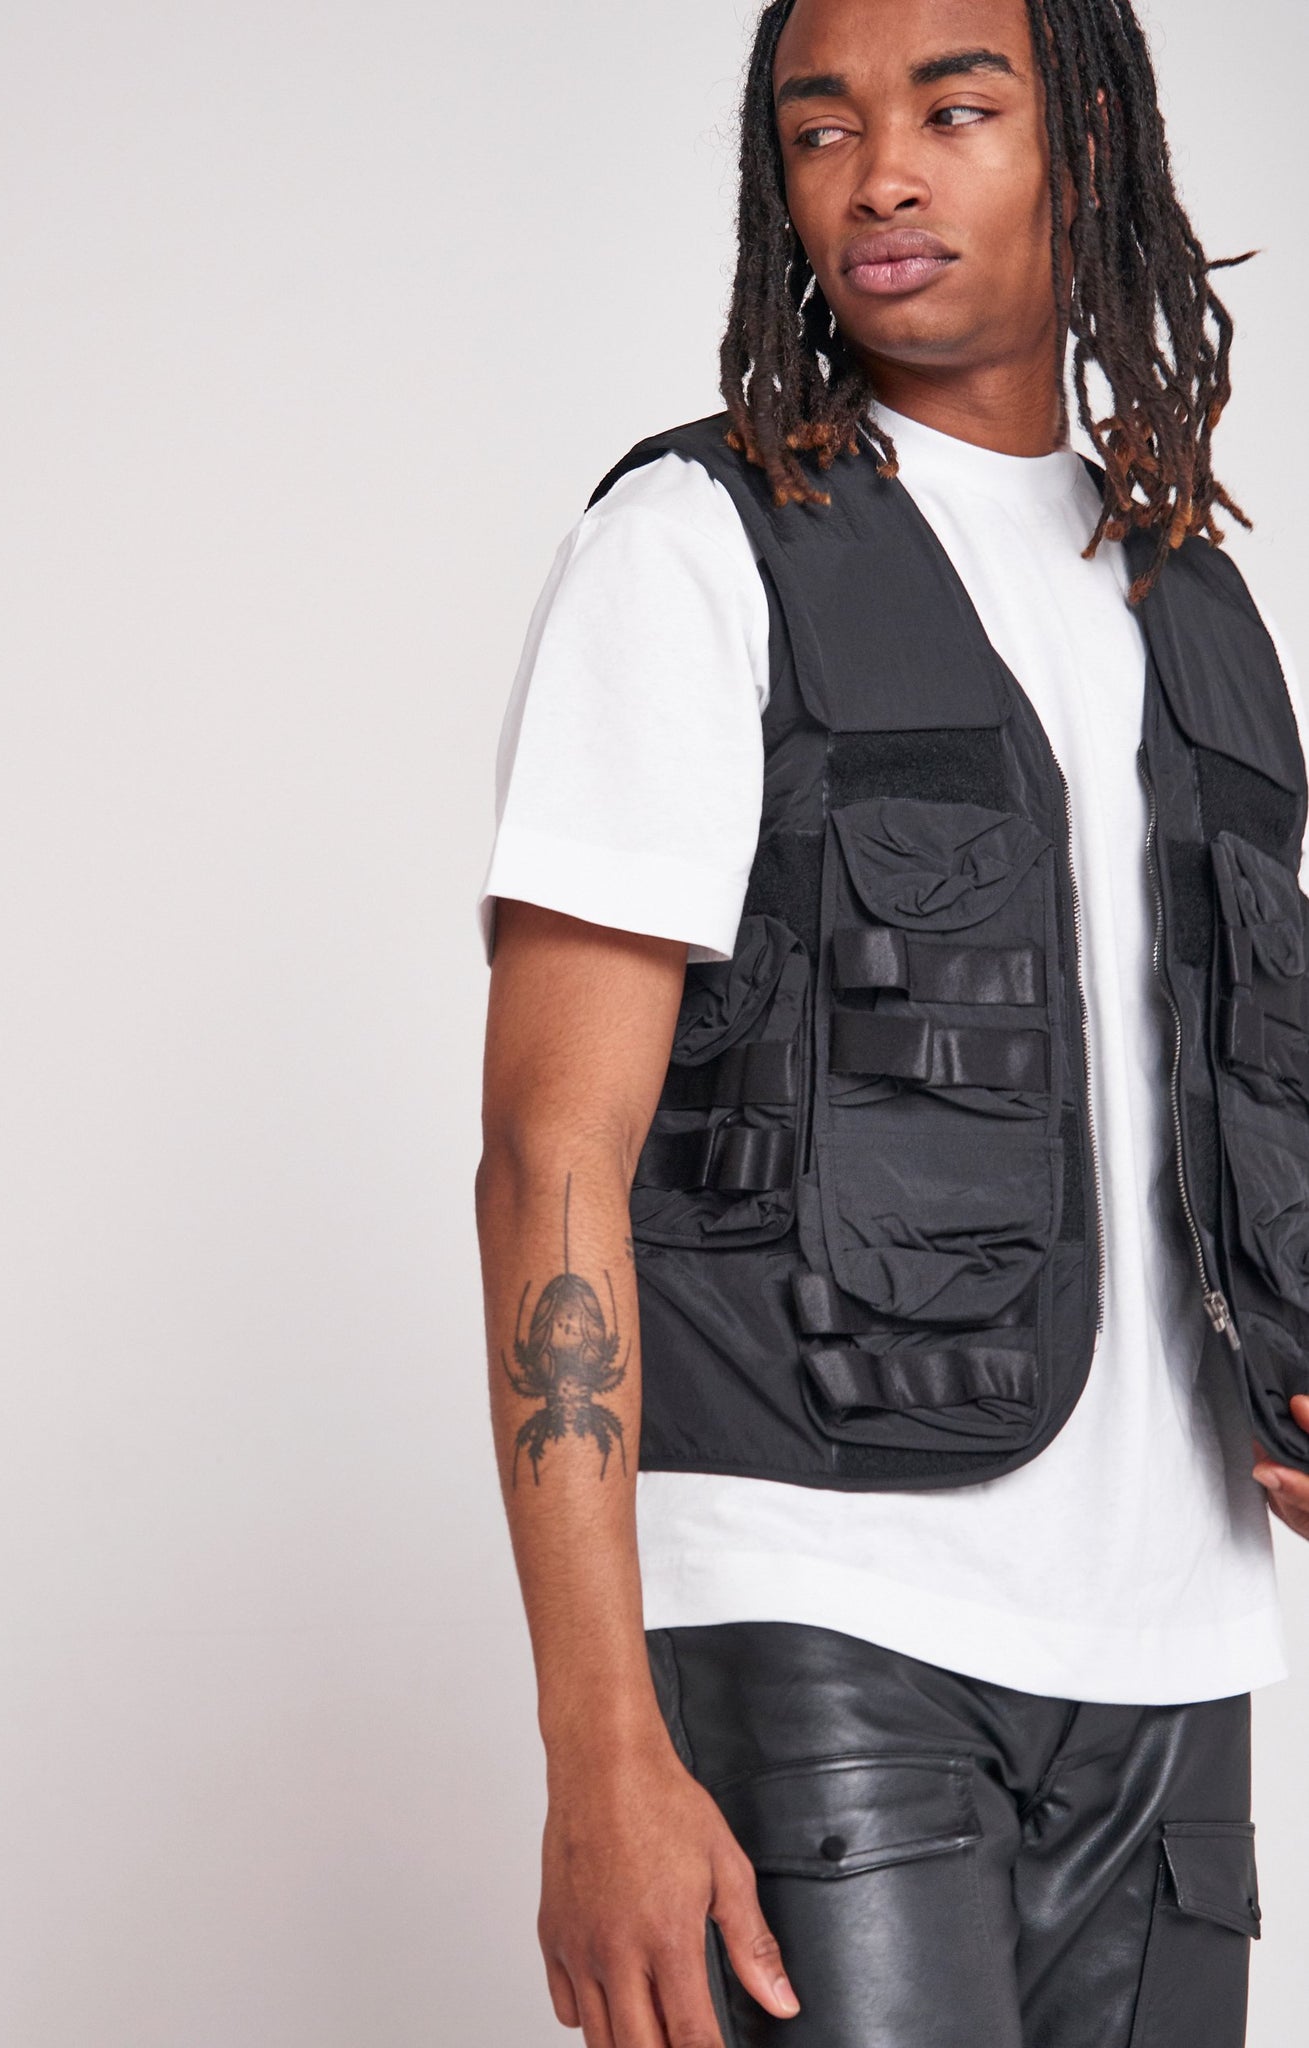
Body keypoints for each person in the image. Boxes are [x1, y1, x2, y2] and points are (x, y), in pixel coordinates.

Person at [474, 2, 1309, 2041]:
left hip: (1170, 1647)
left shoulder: (1192, 600)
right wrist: (597, 1743)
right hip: (818, 1617)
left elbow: (1219, 1088)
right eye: (821, 128)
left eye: (955, 108)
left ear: (1084, 145)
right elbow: (547, 1149)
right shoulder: (690, 547)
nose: (882, 177)